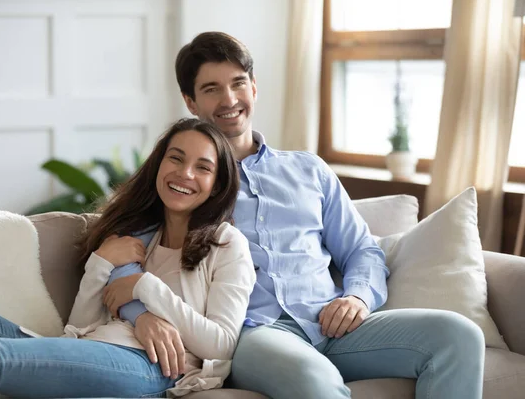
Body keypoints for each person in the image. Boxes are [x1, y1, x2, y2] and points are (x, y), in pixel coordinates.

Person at [115, 32, 486, 399]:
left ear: (254, 88)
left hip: (334, 325)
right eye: (211, 88)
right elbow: (123, 258)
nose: (229, 99)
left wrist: (357, 298)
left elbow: (361, 250)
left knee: (458, 335)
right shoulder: (184, 182)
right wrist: (142, 315)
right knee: (314, 379)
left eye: (238, 83)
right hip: (256, 334)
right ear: (191, 102)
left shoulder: (310, 170)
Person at [0, 117, 255, 398]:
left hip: (148, 364)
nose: (185, 173)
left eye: (203, 167)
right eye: (176, 158)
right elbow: (79, 326)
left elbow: (222, 344)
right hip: (89, 350)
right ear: (159, 165)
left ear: (216, 185)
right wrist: (100, 263)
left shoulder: (226, 244)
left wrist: (144, 286)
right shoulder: (138, 237)